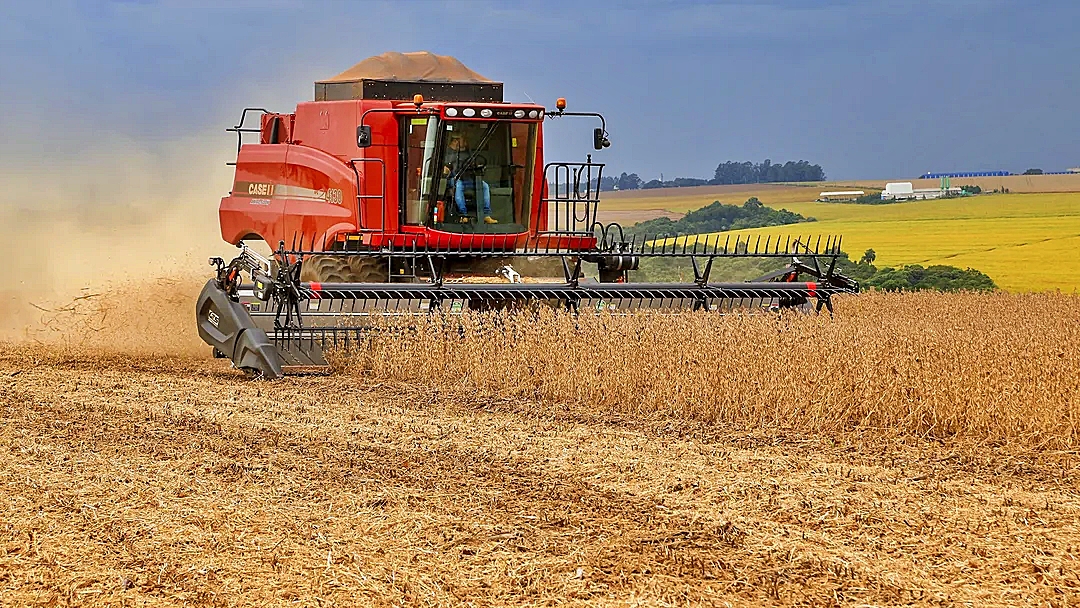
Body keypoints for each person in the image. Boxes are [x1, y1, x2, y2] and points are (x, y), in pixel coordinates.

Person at [445, 132, 498, 224]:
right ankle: (463, 215)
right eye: (462, 140)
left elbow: (473, 163)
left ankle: (486, 215)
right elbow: (445, 169)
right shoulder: (448, 153)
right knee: (458, 186)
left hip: (468, 178)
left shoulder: (468, 153)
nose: (465, 142)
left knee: (485, 186)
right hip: (455, 179)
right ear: (455, 141)